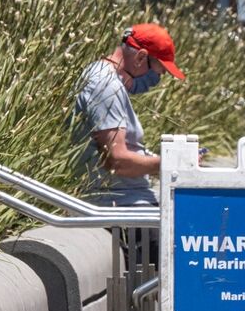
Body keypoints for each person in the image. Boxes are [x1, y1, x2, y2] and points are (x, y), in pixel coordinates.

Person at [72, 24, 185, 206]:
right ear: (141, 57)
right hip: (119, 201)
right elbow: (117, 162)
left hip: (127, 196)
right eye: (160, 70)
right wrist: (172, 164)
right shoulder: (106, 86)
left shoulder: (107, 80)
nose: (159, 77)